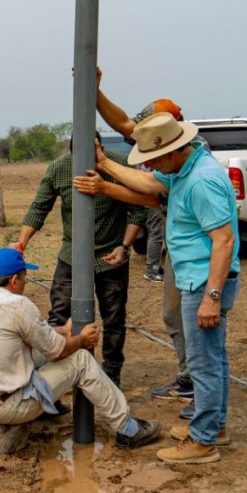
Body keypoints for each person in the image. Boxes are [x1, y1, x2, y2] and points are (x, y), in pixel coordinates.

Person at [75, 113, 241, 464]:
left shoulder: (201, 181)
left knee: (203, 362)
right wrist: (104, 165)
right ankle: (215, 426)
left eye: (152, 158)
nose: (148, 164)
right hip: (196, 278)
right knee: (214, 359)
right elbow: (149, 185)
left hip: (203, 282)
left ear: (171, 151)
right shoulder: (186, 168)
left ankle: (203, 441)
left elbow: (223, 241)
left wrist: (211, 298)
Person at [0, 248, 161, 449]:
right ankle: (128, 430)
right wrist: (81, 340)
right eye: (24, 278)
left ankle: (47, 407)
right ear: (14, 280)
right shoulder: (17, 305)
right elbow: (57, 351)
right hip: (6, 407)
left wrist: (62, 331)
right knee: (81, 360)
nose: (25, 284)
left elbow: (33, 335)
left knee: (36, 352)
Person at [14, 133, 147, 388]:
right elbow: (39, 207)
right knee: (59, 314)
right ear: (72, 153)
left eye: (95, 151)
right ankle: (59, 374)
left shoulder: (120, 166)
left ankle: (111, 375)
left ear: (102, 148)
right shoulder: (59, 168)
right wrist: (21, 243)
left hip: (111, 254)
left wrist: (124, 246)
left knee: (114, 317)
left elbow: (138, 209)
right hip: (72, 254)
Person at [95, 69, 194, 410]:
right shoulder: (167, 146)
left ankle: (195, 386)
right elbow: (124, 124)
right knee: (174, 316)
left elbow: (153, 191)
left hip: (194, 256)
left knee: (190, 320)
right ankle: (188, 379)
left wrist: (105, 173)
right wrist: (94, 93)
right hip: (177, 249)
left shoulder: (180, 160)